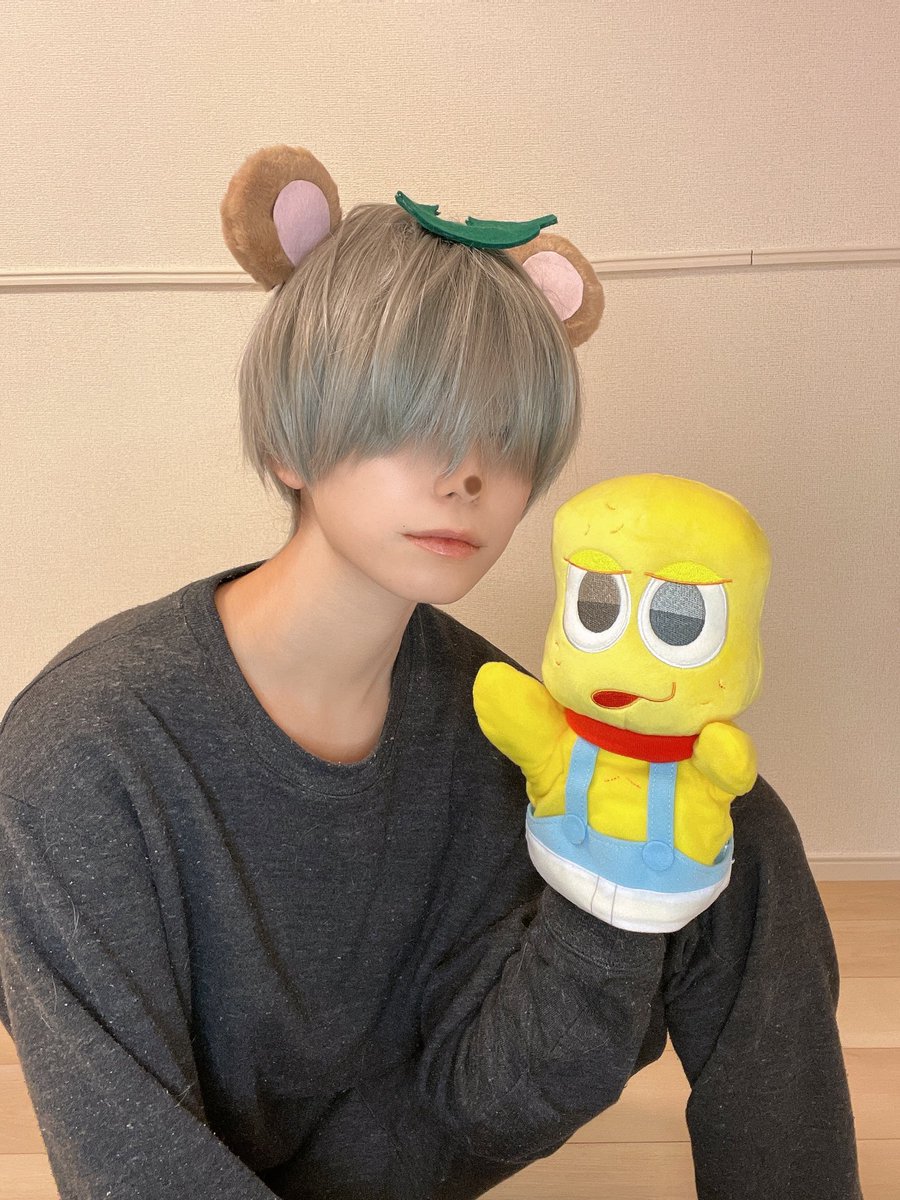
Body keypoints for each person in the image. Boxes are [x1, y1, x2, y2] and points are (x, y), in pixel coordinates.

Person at [0, 147, 862, 1200]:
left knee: (723, 820)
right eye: (411, 418)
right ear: (288, 444)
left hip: (411, 1143)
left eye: (505, 436)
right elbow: (130, 1162)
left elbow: (494, 1099)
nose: (467, 475)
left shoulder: (484, 715)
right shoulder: (80, 760)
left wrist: (618, 891)